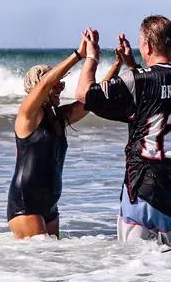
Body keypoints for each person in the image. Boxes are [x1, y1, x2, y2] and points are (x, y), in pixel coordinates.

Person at [76, 16, 171, 246]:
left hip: (144, 192)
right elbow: (157, 100)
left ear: (149, 45)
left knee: (136, 270)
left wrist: (92, 57)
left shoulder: (137, 80)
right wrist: (132, 66)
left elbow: (84, 95)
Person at [7, 30, 125, 238]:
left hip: (50, 205)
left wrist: (117, 65)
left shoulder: (59, 118)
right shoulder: (28, 115)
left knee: (54, 262)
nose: (61, 89)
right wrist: (79, 55)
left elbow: (91, 99)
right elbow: (45, 85)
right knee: (39, 260)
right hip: (27, 203)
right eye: (57, 85)